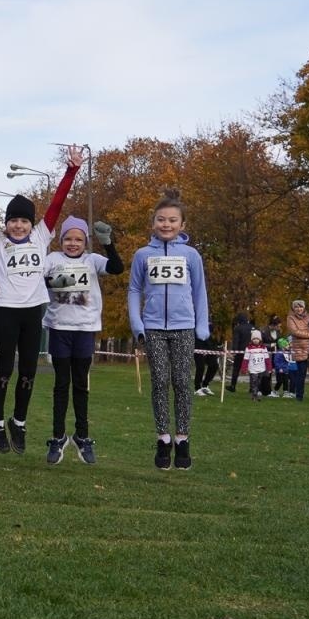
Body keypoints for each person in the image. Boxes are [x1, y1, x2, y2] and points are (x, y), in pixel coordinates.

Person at [0, 146, 85, 454]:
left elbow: (57, 202)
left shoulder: (42, 236)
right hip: (5, 311)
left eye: (24, 221)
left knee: (28, 369)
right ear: (7, 223)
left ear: (32, 223)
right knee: (5, 368)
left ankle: (19, 421)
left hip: (33, 310)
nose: (18, 225)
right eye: (13, 220)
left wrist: (71, 171)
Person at [127, 195, 210, 470]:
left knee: (182, 382)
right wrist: (137, 324)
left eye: (172, 220)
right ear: (153, 223)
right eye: (161, 219)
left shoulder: (191, 255)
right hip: (153, 327)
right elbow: (134, 290)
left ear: (182, 224)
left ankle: (183, 438)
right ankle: (163, 438)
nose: (166, 224)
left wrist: (202, 325)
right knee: (160, 380)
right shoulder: (142, 255)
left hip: (184, 326)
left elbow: (199, 290)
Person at [40, 217, 122, 465]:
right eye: (68, 239)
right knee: (61, 384)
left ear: (85, 241)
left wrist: (108, 244)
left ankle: (82, 436)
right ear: (61, 240)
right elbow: (38, 279)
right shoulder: (52, 260)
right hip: (59, 328)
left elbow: (117, 268)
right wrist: (66, 281)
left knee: (81, 385)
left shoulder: (92, 260)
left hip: (85, 329)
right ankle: (57, 437)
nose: (73, 244)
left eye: (78, 239)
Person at [285, 300, 309, 403]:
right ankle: (299, 395)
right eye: (297, 307)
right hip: (299, 348)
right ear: (293, 308)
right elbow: (295, 332)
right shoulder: (290, 318)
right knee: (300, 374)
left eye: (301, 307)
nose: (299, 309)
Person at [226, 311, 252, 392]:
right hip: (251, 351)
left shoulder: (238, 328)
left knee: (236, 369)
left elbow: (236, 340)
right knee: (252, 369)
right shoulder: (252, 327)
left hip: (241, 351)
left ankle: (233, 386)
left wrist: (234, 351)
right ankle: (252, 387)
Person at [244, 330, 272, 400]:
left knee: (259, 382)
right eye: (254, 339)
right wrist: (244, 368)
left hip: (261, 368)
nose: (256, 340)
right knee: (254, 381)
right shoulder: (248, 348)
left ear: (260, 339)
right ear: (252, 339)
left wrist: (269, 368)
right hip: (252, 368)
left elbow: (267, 359)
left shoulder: (263, 348)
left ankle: (256, 393)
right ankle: (254, 395)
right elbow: (245, 359)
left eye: (257, 339)